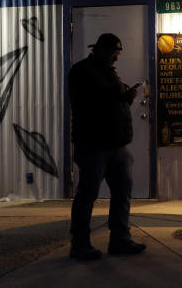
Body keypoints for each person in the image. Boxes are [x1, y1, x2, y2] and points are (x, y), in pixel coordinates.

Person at [68, 33, 146, 260]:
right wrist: (119, 93)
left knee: (123, 192)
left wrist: (126, 97)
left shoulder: (109, 72)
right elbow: (91, 102)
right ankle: (80, 244)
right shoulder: (81, 71)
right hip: (93, 146)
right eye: (114, 53)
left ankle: (120, 239)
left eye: (118, 54)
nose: (116, 59)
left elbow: (112, 100)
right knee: (87, 195)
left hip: (116, 146)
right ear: (101, 50)